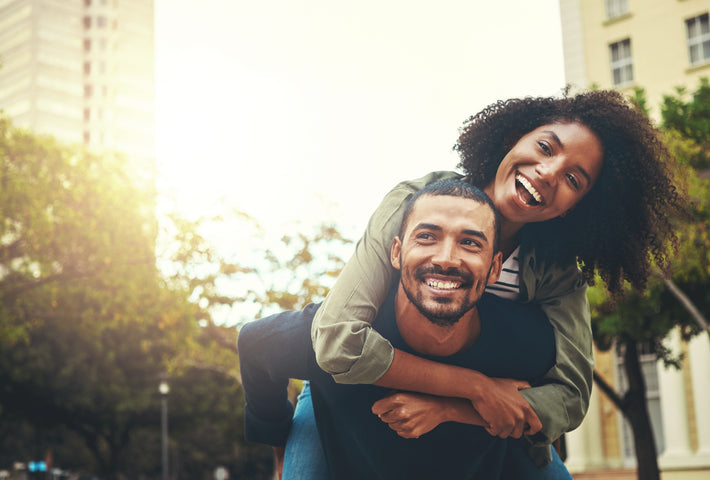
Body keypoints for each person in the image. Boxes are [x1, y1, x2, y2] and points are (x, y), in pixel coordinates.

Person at [283, 90, 686, 478]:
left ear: (576, 208)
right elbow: (337, 340)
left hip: (489, 425)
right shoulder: (418, 200)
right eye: (546, 148)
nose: (547, 173)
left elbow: (571, 396)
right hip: (351, 393)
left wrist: (455, 406)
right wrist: (476, 386)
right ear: (514, 138)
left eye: (574, 180)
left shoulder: (557, 273)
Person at [239, 180, 560, 479]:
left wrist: (451, 408)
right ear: (395, 252)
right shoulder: (331, 336)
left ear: (495, 268)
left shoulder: (528, 345)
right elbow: (253, 344)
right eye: (427, 236)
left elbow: (558, 407)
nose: (446, 258)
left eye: (470, 243)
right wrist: (281, 450)